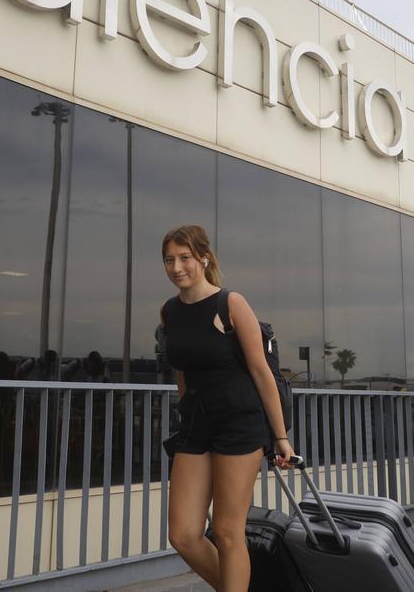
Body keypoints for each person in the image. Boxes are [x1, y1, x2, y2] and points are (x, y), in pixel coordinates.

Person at [159, 224, 292, 592]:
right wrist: (186, 409)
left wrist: (280, 437)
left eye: (184, 257)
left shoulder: (229, 303)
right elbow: (182, 370)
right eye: (169, 259)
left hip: (239, 422)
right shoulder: (169, 311)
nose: (176, 267)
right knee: (184, 534)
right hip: (196, 424)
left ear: (203, 257)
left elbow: (262, 374)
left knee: (227, 531)